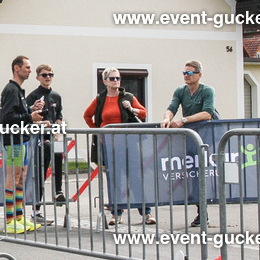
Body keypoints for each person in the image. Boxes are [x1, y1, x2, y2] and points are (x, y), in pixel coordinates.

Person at [82, 67, 153, 226]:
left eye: (118, 78)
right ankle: (116, 214)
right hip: (110, 145)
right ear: (105, 81)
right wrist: (98, 132)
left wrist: (131, 108)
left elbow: (143, 113)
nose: (116, 81)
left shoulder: (128, 97)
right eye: (113, 78)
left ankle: (146, 213)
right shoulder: (100, 99)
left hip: (129, 143)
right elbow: (87, 115)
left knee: (135, 177)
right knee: (114, 179)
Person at [160, 60, 219, 227]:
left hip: (206, 136)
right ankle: (202, 211)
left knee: (204, 174)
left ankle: (204, 211)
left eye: (190, 73)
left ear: (199, 75)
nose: (186, 75)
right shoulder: (181, 90)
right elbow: (172, 107)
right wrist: (167, 118)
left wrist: (183, 120)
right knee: (193, 175)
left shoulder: (207, 90)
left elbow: (207, 113)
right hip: (190, 137)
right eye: (184, 73)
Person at [0, 56, 44, 234]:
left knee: (21, 177)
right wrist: (29, 117)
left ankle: (19, 217)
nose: (30, 70)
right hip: (14, 140)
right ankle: (10, 220)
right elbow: (7, 118)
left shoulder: (18, 90)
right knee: (14, 176)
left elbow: (16, 113)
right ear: (17, 68)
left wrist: (30, 109)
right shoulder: (11, 89)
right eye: (27, 67)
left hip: (21, 139)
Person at [25, 64, 66, 220]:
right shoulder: (33, 96)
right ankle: (35, 211)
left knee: (58, 154)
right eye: (44, 75)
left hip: (52, 137)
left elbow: (59, 116)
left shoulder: (56, 96)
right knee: (40, 174)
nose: (48, 77)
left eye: (50, 74)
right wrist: (42, 125)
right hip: (39, 139)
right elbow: (28, 119)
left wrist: (56, 128)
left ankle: (58, 191)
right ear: (38, 77)